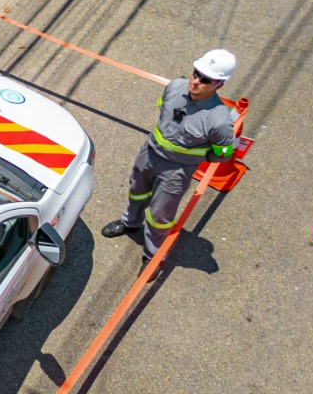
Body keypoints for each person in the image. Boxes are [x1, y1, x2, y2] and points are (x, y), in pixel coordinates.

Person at [102, 49, 239, 264]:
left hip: (177, 171)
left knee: (160, 216)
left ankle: (152, 256)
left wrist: (196, 159)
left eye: (205, 80)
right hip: (149, 154)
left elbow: (223, 153)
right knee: (136, 191)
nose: (196, 81)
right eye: (196, 73)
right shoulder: (175, 86)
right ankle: (130, 222)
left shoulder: (219, 120)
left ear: (219, 85)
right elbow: (163, 112)